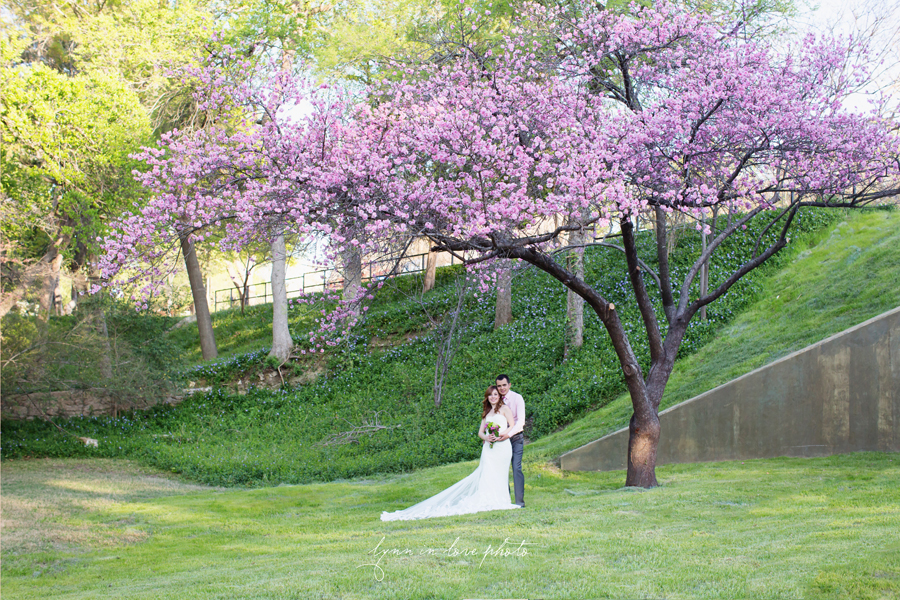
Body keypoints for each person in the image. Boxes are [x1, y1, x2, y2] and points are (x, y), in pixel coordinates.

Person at [380, 386, 521, 521]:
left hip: (502, 447)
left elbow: (512, 425)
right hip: (489, 449)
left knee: (500, 474)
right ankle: (488, 500)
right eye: (490, 395)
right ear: (487, 397)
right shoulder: (487, 412)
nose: (493, 397)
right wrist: (487, 437)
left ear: (499, 396)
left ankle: (501, 500)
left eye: (495, 394)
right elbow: (480, 432)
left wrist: (501, 435)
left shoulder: (505, 409)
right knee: (487, 473)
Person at [494, 374, 525, 507]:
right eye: (499, 386)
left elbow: (520, 422)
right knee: (502, 469)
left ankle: (519, 502)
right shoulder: (494, 399)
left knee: (516, 468)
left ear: (509, 385)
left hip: (515, 437)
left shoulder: (517, 398)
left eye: (504, 385)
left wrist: (509, 434)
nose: (502, 388)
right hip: (500, 439)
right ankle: (504, 501)